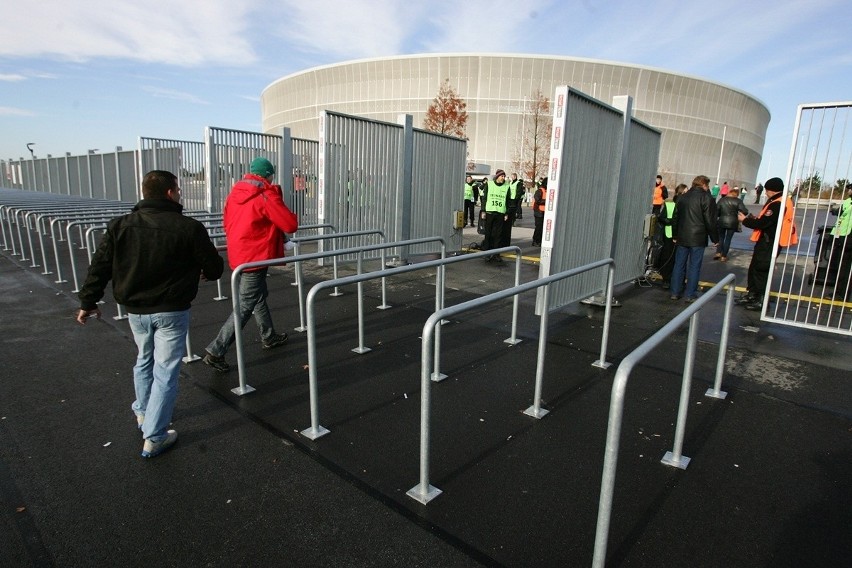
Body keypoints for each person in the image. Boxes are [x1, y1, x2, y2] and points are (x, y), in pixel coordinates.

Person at [76, 170, 224, 458]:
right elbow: (215, 268)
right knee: (166, 371)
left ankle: (144, 413)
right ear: (170, 192)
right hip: (171, 309)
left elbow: (100, 266)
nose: (179, 194)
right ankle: (155, 436)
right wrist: (201, 269)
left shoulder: (120, 226)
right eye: (178, 190)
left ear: (145, 192)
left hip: (135, 310)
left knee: (144, 360)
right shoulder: (188, 227)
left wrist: (88, 302)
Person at [203, 157, 299, 372]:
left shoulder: (235, 194)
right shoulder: (265, 195)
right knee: (246, 304)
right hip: (256, 255)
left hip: (240, 254)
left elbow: (226, 222)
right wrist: (279, 198)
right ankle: (216, 350)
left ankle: (269, 335)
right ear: (268, 175)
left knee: (257, 297)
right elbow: (290, 224)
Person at [735, 177, 798, 311]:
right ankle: (752, 294)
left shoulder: (777, 204)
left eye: (767, 190)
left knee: (761, 269)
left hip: (770, 241)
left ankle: (761, 299)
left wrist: (745, 220)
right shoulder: (779, 201)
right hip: (767, 240)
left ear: (770, 190)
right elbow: (765, 220)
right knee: (755, 267)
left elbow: (764, 223)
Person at [669, 175, 719, 302]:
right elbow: (710, 220)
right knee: (694, 266)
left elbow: (675, 218)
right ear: (704, 185)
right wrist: (715, 238)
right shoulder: (707, 198)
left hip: (682, 236)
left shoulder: (682, 197)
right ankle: (690, 294)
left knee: (679, 265)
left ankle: (675, 292)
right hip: (698, 237)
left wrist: (675, 235)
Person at [655, 183, 686, 288]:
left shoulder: (686, 205)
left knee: (677, 258)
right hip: (670, 234)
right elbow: (661, 217)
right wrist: (667, 221)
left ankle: (674, 279)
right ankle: (667, 279)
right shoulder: (670, 205)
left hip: (679, 235)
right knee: (668, 257)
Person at [479, 169, 512, 262]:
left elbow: (508, 200)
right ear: (497, 176)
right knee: (488, 233)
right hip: (490, 212)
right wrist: (483, 211)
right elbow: (484, 198)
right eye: (502, 176)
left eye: (504, 176)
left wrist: (507, 213)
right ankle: (487, 253)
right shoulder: (489, 184)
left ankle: (496, 254)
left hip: (500, 213)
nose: (503, 178)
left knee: (498, 235)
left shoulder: (506, 186)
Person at [714, 188, 749, 262]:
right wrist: (738, 214)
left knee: (721, 238)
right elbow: (745, 211)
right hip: (733, 221)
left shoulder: (722, 200)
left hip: (722, 220)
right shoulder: (738, 201)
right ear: (737, 194)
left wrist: (719, 215)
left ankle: (718, 252)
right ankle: (724, 256)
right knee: (728, 239)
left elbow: (716, 210)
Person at [532, 177, 547, 246]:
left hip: (544, 211)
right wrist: (546, 201)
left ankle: (539, 240)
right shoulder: (540, 191)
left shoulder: (547, 191)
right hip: (539, 211)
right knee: (538, 227)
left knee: (542, 227)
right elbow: (537, 200)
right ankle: (535, 240)